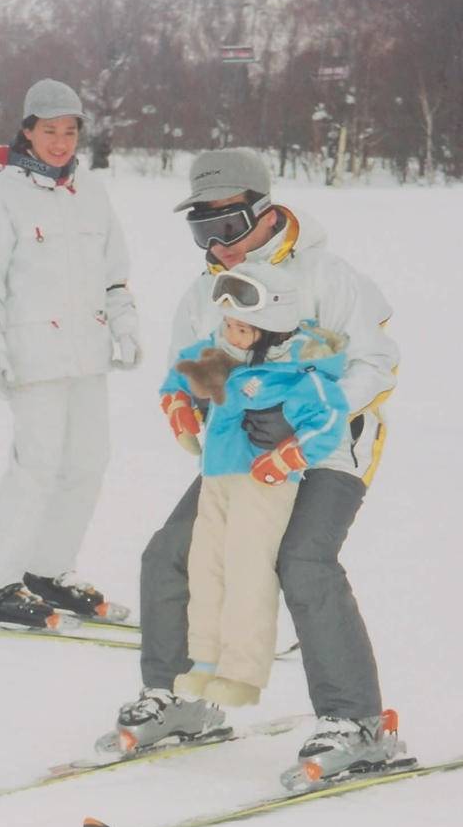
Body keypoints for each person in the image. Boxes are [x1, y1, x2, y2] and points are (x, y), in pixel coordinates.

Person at [107, 146, 400, 782]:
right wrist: (185, 400)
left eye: (229, 226)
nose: (218, 244)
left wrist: (304, 427)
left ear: (265, 214)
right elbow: (203, 361)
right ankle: (182, 696)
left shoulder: (328, 275)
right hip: (243, 453)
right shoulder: (205, 290)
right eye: (202, 229)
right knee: (170, 554)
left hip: (329, 445)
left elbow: (375, 365)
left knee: (302, 558)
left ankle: (357, 722)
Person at [0, 79, 140, 627]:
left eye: (69, 131)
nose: (60, 142)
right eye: (49, 131)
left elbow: (116, 276)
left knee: (87, 463)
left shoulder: (92, 192)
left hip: (87, 355)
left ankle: (46, 570)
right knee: (34, 468)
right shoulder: (1, 197)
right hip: (33, 357)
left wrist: (126, 326)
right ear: (27, 131)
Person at [148, 265, 349, 722]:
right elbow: (178, 376)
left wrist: (286, 458)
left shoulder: (297, 373)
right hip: (218, 476)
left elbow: (329, 420)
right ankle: (205, 662)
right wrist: (178, 406)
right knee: (205, 567)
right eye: (228, 325)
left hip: (262, 483)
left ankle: (242, 672)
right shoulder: (220, 355)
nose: (230, 335)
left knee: (247, 570)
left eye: (241, 328)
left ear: (270, 330)